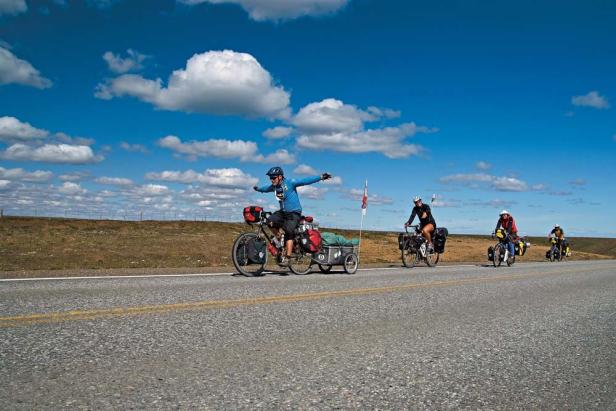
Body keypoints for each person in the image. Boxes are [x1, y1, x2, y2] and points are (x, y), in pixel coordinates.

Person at [253, 166, 331, 266]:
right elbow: (266, 188)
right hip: (283, 212)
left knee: (288, 232)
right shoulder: (275, 186)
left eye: (273, 178)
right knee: (269, 221)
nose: (272, 180)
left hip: (294, 213)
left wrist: (320, 177)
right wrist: (258, 189)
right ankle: (279, 238)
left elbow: (305, 181)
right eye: (270, 178)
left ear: (280, 177)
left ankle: (288, 258)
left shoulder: (290, 182)